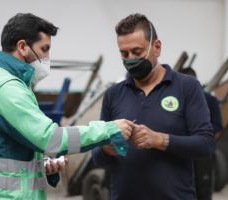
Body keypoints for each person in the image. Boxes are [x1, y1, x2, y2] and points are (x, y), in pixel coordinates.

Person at [0, 13, 134, 200]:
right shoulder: (7, 89)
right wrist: (109, 129)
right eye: (44, 49)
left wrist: (42, 166)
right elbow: (51, 139)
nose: (47, 57)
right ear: (22, 47)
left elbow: (4, 153)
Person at [92, 13, 215, 200]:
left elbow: (206, 144)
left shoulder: (186, 87)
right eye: (124, 54)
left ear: (156, 47)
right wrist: (105, 149)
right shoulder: (113, 94)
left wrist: (160, 140)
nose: (130, 59)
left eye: (137, 51)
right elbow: (97, 158)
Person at [179, 67, 223, 200]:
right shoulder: (173, 99)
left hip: (200, 151)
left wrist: (200, 135)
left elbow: (217, 125)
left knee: (202, 186)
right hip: (178, 149)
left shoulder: (209, 100)